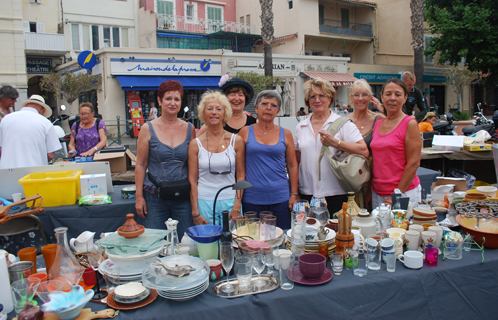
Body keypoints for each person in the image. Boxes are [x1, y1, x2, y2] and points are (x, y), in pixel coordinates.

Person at [295, 78, 368, 214]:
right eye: (312, 97)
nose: (317, 100)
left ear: (330, 98)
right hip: (307, 193)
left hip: (336, 193)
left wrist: (335, 143)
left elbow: (364, 150)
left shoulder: (343, 124)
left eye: (321, 95)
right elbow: (297, 160)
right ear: (307, 101)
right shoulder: (301, 127)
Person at [135, 80, 196, 237]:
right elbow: (141, 164)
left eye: (177, 99)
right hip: (154, 197)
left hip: (183, 196)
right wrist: (139, 197)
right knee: (154, 241)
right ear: (160, 100)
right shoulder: (147, 128)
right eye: (168, 98)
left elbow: (193, 166)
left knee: (187, 241)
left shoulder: (190, 129)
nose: (173, 103)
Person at [239, 90, 298, 230]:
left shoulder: (286, 133)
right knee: (253, 241)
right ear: (256, 108)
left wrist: (294, 194)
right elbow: (239, 169)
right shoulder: (245, 132)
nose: (268, 107)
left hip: (280, 199)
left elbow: (292, 165)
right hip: (252, 198)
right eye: (264, 103)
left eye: (273, 105)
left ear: (277, 111)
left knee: (281, 240)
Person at [188, 91, 245, 227]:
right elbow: (192, 180)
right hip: (204, 202)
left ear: (225, 113)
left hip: (231, 201)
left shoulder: (236, 141)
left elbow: (241, 175)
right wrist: (195, 210)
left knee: (234, 242)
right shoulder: (195, 144)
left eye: (219, 109)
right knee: (209, 245)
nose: (214, 112)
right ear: (203, 113)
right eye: (209, 109)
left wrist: (237, 204)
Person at [370, 79, 422, 209]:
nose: (392, 98)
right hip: (377, 192)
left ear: (405, 98)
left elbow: (414, 163)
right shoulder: (378, 124)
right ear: (381, 97)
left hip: (403, 193)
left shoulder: (409, 124)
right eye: (388, 94)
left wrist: (397, 194)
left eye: (398, 94)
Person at [347, 79, 386, 209]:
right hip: (351, 178)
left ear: (370, 98)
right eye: (356, 95)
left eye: (365, 95)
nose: (361, 98)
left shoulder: (379, 119)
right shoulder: (344, 121)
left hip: (374, 177)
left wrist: (384, 112)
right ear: (351, 98)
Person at [0, 95, 61, 169]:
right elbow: (50, 155)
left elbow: (1, 147)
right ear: (42, 110)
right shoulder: (45, 122)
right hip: (33, 171)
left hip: (7, 171)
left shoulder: (6, 119)